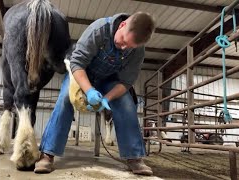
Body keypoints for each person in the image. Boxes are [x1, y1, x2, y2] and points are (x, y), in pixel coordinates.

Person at [34, 12, 155, 176]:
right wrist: (89, 90)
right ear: (122, 25)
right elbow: (77, 63)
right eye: (124, 41)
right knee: (65, 99)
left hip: (109, 81)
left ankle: (134, 157)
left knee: (127, 103)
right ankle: (47, 154)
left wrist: (107, 98)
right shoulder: (99, 30)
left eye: (130, 46)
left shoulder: (137, 51)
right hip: (83, 73)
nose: (125, 47)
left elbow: (126, 82)